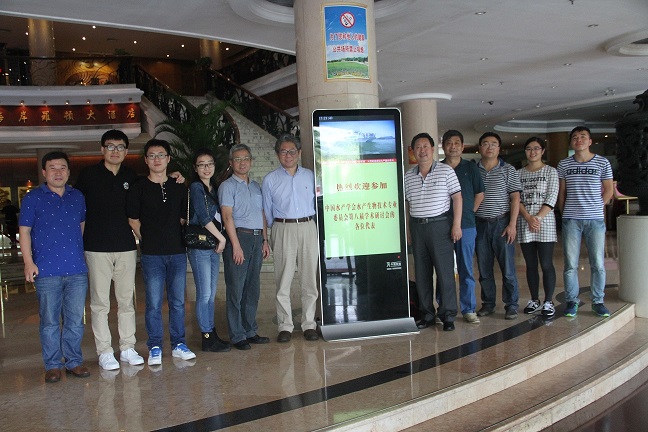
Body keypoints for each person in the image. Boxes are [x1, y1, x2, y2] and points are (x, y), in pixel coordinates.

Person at [75, 129, 145, 371]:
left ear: (126, 151)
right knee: (100, 303)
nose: (115, 151)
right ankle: (104, 351)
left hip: (125, 247)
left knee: (126, 301)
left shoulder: (130, 175)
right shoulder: (88, 175)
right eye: (111, 146)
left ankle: (127, 347)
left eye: (120, 147)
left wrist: (175, 176)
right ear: (102, 149)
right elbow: (77, 209)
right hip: (96, 248)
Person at [19, 151, 90, 383]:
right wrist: (28, 262)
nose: (58, 172)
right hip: (46, 270)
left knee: (74, 320)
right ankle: (52, 365)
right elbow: (24, 232)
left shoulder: (77, 196)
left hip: (76, 270)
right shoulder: (32, 198)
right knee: (49, 321)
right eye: (52, 168)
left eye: (62, 168)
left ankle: (74, 361)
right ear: (44, 172)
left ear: (68, 172)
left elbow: (81, 226)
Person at [127, 139, 196, 366]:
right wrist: (148, 239)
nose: (156, 159)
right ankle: (155, 345)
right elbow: (133, 219)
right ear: (146, 160)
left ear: (168, 159)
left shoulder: (179, 186)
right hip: (152, 254)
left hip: (177, 252)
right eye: (152, 155)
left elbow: (183, 217)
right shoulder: (139, 187)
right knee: (154, 303)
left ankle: (178, 344)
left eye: (161, 155)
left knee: (177, 302)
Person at [262, 134, 319, 343]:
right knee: (283, 279)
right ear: (278, 154)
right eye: (283, 152)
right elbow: (266, 210)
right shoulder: (270, 179)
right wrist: (269, 234)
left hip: (308, 226)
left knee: (309, 279)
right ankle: (285, 325)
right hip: (282, 227)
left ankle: (309, 324)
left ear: (299, 153)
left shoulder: (310, 176)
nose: (288, 155)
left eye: (292, 151)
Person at [404, 132, 462, 331]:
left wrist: (456, 225)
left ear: (432, 149)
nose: (422, 151)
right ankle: (427, 314)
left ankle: (448, 315)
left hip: (440, 226)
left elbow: (457, 198)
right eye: (418, 147)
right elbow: (408, 205)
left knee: (445, 273)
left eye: (425, 146)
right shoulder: (408, 176)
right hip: (417, 228)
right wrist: (408, 230)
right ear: (413, 151)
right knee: (422, 274)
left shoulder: (446, 171)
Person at [218, 144, 271, 350]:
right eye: (238, 159)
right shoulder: (227, 186)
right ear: (231, 163)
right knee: (236, 289)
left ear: (251, 161)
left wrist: (265, 240)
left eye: (246, 158)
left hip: (257, 239)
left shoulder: (256, 186)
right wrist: (236, 245)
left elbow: (262, 214)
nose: (242, 163)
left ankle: (250, 330)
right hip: (239, 237)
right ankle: (237, 334)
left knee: (252, 288)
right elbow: (227, 216)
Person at [557, 126, 614, 317]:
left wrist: (597, 205)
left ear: (590, 141)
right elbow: (562, 192)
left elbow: (608, 190)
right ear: (571, 143)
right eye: (575, 137)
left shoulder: (602, 162)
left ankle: (598, 301)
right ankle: (571, 301)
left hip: (595, 220)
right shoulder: (564, 164)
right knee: (570, 264)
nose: (578, 140)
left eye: (583, 137)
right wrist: (564, 214)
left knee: (597, 263)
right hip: (571, 220)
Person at [475, 132, 522, 320]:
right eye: (485, 143)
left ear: (499, 148)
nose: (489, 147)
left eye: (493, 144)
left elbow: (515, 198)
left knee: (508, 269)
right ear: (480, 147)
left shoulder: (508, 170)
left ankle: (511, 304)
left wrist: (512, 224)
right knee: (484, 268)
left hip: (501, 223)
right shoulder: (473, 169)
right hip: (479, 225)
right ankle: (488, 303)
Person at [186, 148, 229, 352]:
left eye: (209, 164)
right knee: (204, 293)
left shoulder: (213, 188)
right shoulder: (196, 187)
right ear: (195, 168)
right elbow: (203, 217)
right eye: (201, 165)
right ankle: (206, 336)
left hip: (212, 245)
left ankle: (211, 332)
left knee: (211, 294)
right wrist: (222, 238)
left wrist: (218, 239)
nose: (206, 168)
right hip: (201, 246)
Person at [440, 130, 485, 324]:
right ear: (443, 146)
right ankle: (444, 308)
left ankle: (468, 309)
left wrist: (468, 212)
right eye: (449, 143)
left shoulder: (470, 168)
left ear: (462, 146)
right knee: (444, 270)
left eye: (457, 143)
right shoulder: (438, 168)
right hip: (441, 225)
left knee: (466, 268)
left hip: (466, 226)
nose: (453, 146)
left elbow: (479, 193)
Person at [517, 137, 559, 318]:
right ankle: (534, 300)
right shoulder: (518, 173)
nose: (532, 152)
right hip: (525, 222)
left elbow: (552, 196)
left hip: (545, 222)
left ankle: (549, 301)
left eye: (536, 148)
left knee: (546, 263)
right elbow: (516, 198)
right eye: (529, 148)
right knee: (531, 264)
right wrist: (528, 217)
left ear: (542, 151)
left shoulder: (551, 171)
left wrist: (538, 218)